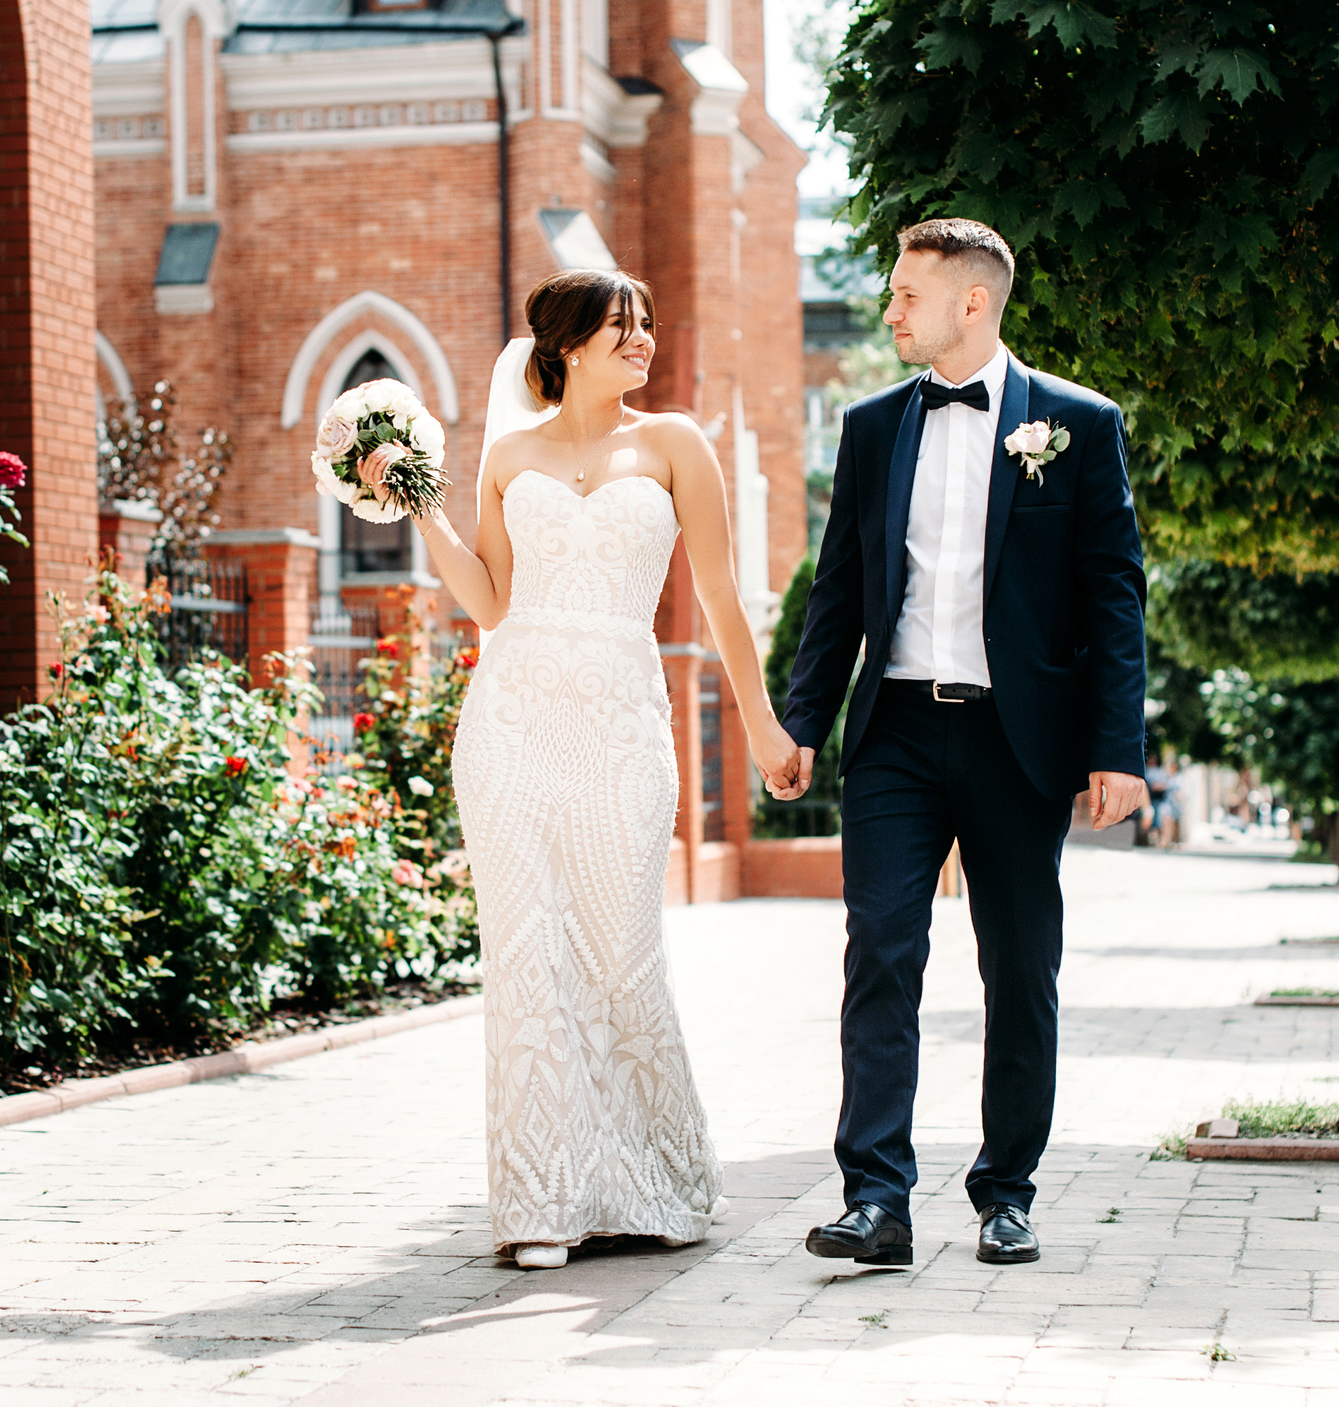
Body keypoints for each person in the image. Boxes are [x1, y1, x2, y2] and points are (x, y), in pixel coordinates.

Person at [379, 269, 804, 1271]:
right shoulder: (508, 453)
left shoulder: (674, 445)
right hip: (511, 723)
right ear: (566, 344)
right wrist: (424, 510)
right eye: (622, 327)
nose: (643, 340)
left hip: (618, 722)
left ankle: (651, 1180)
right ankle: (538, 1203)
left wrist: (766, 727)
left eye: (647, 324)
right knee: (527, 955)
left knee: (620, 951)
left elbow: (721, 603)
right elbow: (489, 602)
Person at [774, 217, 1148, 1269]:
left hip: (1016, 736)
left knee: (1019, 968)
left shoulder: (1078, 423)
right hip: (894, 728)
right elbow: (836, 592)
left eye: (904, 292)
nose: (889, 308)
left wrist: (1118, 745)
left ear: (970, 301)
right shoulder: (868, 426)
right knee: (880, 951)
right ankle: (876, 1198)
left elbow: (1113, 593)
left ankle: (1006, 1192)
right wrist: (803, 719)